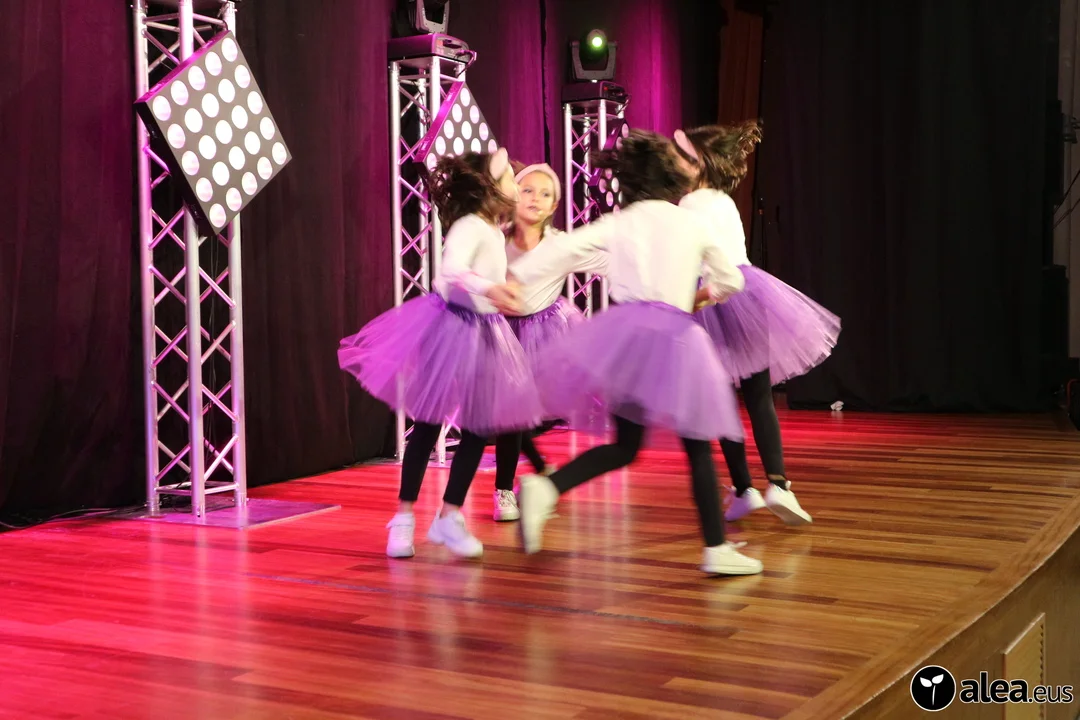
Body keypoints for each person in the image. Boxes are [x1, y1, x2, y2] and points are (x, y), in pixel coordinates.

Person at [510, 130, 764, 576]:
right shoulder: (692, 222)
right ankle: (716, 547)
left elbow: (559, 250)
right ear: (669, 176)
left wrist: (516, 279)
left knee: (626, 446)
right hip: (674, 339)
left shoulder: (620, 222)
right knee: (698, 445)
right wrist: (704, 295)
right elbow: (732, 280)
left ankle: (547, 488)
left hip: (627, 339)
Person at [338, 149, 540, 558]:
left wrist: (502, 291)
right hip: (452, 329)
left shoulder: (491, 228)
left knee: (478, 428)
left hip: (485, 332)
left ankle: (448, 516)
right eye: (509, 179)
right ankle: (404, 518)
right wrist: (491, 288)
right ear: (489, 186)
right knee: (428, 424)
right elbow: (449, 271)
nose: (517, 186)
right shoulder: (470, 226)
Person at [674, 122, 841, 524]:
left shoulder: (688, 205)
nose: (675, 163)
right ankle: (779, 484)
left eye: (682, 156)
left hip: (710, 299)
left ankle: (743, 487)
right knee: (759, 396)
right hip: (748, 295)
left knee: (721, 398)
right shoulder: (724, 201)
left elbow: (689, 261)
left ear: (700, 163)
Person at [490, 162, 601, 521]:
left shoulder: (559, 244)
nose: (535, 198)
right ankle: (508, 488)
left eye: (545, 193)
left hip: (545, 332)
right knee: (510, 412)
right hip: (503, 333)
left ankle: (525, 477)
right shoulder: (497, 239)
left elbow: (602, 258)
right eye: (527, 190)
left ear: (554, 205)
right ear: (513, 195)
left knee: (519, 412)